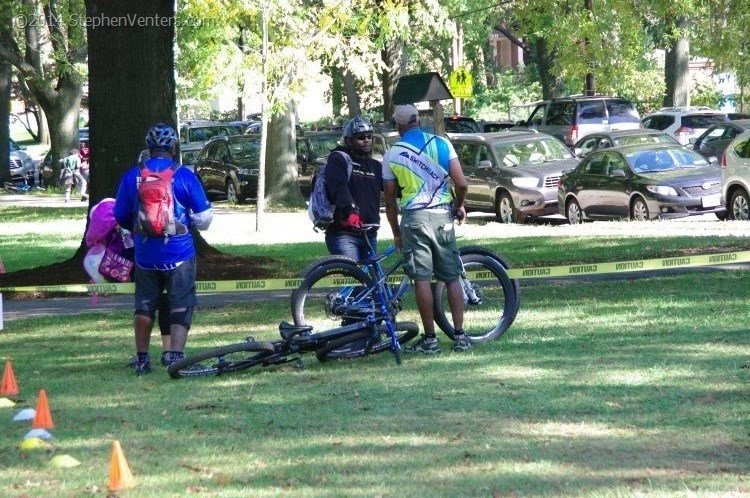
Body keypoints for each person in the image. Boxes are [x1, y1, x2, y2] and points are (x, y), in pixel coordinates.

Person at [114, 123, 213, 375]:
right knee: (181, 302)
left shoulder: (132, 176)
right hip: (179, 253)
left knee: (144, 305)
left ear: (149, 147)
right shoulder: (185, 176)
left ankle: (142, 359)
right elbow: (204, 218)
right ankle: (175, 358)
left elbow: (121, 215)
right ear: (173, 147)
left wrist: (141, 228)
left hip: (145, 254)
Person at [382, 104, 471, 354]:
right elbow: (461, 183)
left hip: (413, 218)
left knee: (421, 278)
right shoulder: (442, 144)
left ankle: (430, 339)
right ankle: (460, 336)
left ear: (398, 126)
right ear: (418, 121)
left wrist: (396, 232)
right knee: (451, 276)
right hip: (442, 215)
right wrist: (458, 204)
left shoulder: (392, 154)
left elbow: (389, 200)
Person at [324, 116, 383, 261]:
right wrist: (351, 211)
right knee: (352, 278)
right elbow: (339, 188)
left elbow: (393, 189)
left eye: (369, 136)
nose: (367, 140)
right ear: (349, 140)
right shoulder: (338, 159)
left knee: (371, 281)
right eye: (361, 137)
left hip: (369, 233)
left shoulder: (375, 166)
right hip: (344, 234)